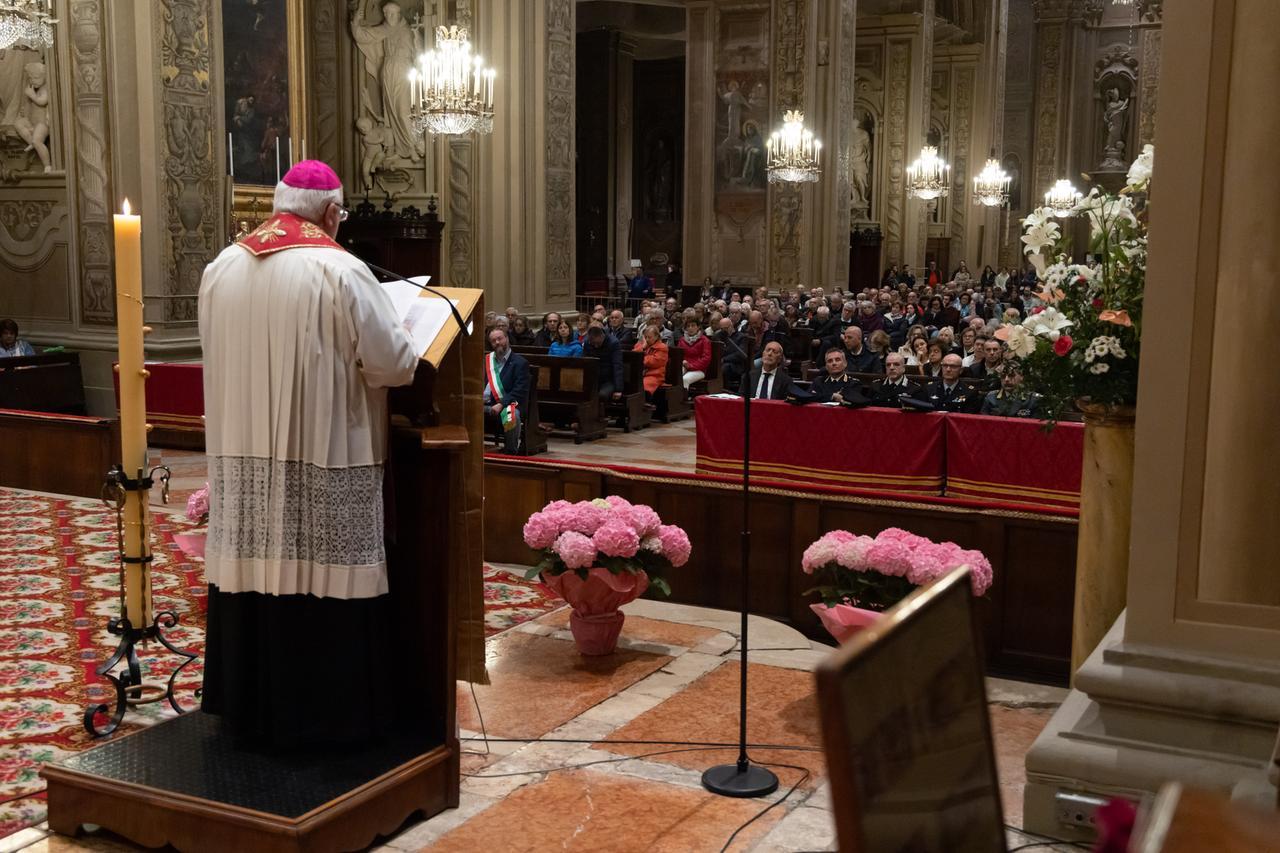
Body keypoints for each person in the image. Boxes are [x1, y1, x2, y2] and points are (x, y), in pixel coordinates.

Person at [197, 160, 419, 747]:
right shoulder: (341, 269)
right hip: (327, 452)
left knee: (253, 568)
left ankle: (247, 713)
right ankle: (328, 722)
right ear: (329, 212)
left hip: (245, 460)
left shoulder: (222, 267)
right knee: (324, 578)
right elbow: (394, 364)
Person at [484, 327, 530, 452]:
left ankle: (510, 451)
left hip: (507, 405)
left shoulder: (520, 363)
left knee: (511, 415)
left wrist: (501, 404)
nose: (497, 342)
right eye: (493, 341)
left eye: (500, 338)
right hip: (483, 404)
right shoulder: (486, 361)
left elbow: (519, 391)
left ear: (507, 339)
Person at [914, 354, 981, 413]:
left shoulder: (970, 392)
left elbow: (969, 419)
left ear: (961, 370)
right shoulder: (929, 389)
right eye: (945, 366)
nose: (948, 369)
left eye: (953, 366)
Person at [581, 324, 624, 405]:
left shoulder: (613, 343)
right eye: (593, 344)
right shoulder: (587, 342)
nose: (596, 346)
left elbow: (617, 366)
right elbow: (585, 362)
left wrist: (618, 389)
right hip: (592, 378)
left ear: (602, 336)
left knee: (602, 395)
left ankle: (599, 415)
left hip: (608, 380)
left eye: (597, 343)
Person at [633, 325, 669, 402]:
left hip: (654, 375)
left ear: (656, 336)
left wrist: (640, 359)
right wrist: (643, 348)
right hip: (639, 374)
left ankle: (645, 404)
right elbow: (633, 356)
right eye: (645, 337)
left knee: (644, 385)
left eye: (649, 337)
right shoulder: (642, 345)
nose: (647, 339)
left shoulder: (662, 347)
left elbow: (654, 362)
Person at [679, 316, 711, 389]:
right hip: (684, 366)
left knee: (685, 379)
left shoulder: (704, 340)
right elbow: (679, 355)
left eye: (693, 325)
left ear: (698, 327)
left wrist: (691, 366)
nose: (690, 328)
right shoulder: (682, 340)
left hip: (699, 369)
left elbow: (706, 359)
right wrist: (683, 362)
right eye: (688, 326)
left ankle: (683, 398)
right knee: (675, 376)